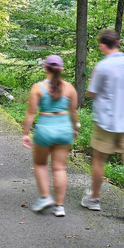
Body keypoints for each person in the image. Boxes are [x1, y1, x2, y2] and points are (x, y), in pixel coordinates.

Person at [81, 29, 124, 220]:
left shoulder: (101, 66)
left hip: (106, 121)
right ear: (117, 42)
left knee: (99, 159)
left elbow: (92, 92)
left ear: (103, 45)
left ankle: (93, 198)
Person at [22, 55, 79, 217]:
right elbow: (73, 112)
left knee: (40, 164)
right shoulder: (70, 88)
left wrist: (25, 133)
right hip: (64, 129)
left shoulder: (38, 88)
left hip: (45, 129)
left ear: (45, 68)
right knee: (59, 168)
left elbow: (31, 112)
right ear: (61, 69)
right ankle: (59, 206)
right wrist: (74, 130)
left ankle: (45, 197)